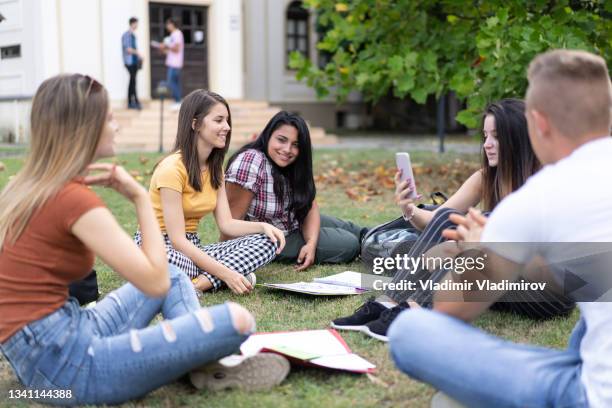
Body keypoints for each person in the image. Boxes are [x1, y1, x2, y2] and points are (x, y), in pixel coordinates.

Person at [0, 74, 290, 405]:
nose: (116, 126)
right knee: (238, 320)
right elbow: (154, 282)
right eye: (109, 118)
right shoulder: (74, 201)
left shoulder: (26, 186)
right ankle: (202, 362)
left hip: (50, 344)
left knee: (174, 275)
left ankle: (201, 364)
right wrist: (140, 197)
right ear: (85, 128)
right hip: (68, 368)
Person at [389, 49, 612, 408]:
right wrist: (412, 213)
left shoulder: (540, 193)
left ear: (537, 124)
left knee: (410, 332)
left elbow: (451, 309)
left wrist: (479, 251)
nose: (488, 144)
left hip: (590, 396)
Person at [332, 98, 574, 341]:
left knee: (483, 227)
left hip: (545, 293)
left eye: (497, 137)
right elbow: (438, 220)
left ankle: (420, 312)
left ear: (520, 139)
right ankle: (390, 302)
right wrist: (409, 208)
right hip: (503, 287)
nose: (487, 145)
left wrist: (465, 246)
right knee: (454, 220)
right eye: (485, 136)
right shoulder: (486, 177)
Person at [139, 90, 285, 295]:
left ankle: (199, 284)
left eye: (227, 120)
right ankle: (229, 275)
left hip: (192, 250)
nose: (227, 127)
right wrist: (226, 272)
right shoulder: (171, 169)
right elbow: (177, 240)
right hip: (159, 247)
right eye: (219, 120)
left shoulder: (215, 169)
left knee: (267, 241)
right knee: (167, 261)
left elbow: (227, 224)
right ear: (195, 124)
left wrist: (263, 226)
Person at [224, 111, 367, 271]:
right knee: (349, 244)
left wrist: (311, 243)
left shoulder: (294, 165)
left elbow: (309, 205)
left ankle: (389, 240)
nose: (287, 149)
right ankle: (376, 248)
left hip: (290, 220)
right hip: (269, 239)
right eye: (281, 140)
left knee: (357, 231)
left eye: (295, 144)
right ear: (268, 135)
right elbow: (230, 225)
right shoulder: (250, 162)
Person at [159, 18, 184, 110]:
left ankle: (177, 101)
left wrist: (166, 45)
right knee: (175, 82)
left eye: (168, 24)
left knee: (171, 82)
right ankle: (177, 101)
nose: (167, 26)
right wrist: (163, 49)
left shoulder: (177, 34)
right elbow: (171, 50)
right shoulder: (173, 34)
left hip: (175, 64)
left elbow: (177, 49)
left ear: (172, 24)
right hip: (172, 63)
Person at [121, 17, 142, 110]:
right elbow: (128, 49)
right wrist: (138, 52)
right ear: (132, 23)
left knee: (133, 81)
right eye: (136, 23)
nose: (137, 25)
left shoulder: (133, 35)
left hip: (134, 62)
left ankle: (134, 101)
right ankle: (132, 102)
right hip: (129, 62)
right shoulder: (127, 35)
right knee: (132, 82)